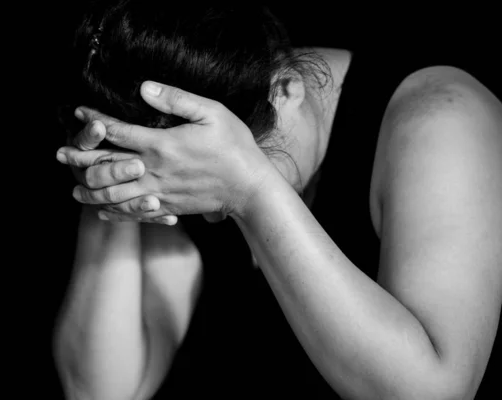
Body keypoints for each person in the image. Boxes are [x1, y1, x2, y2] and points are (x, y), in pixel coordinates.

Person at [53, 1, 502, 399]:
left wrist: (248, 186)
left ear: (285, 88)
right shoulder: (173, 138)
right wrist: (107, 192)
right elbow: (104, 390)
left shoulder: (440, 116)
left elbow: (431, 391)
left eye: (212, 175)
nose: (206, 213)